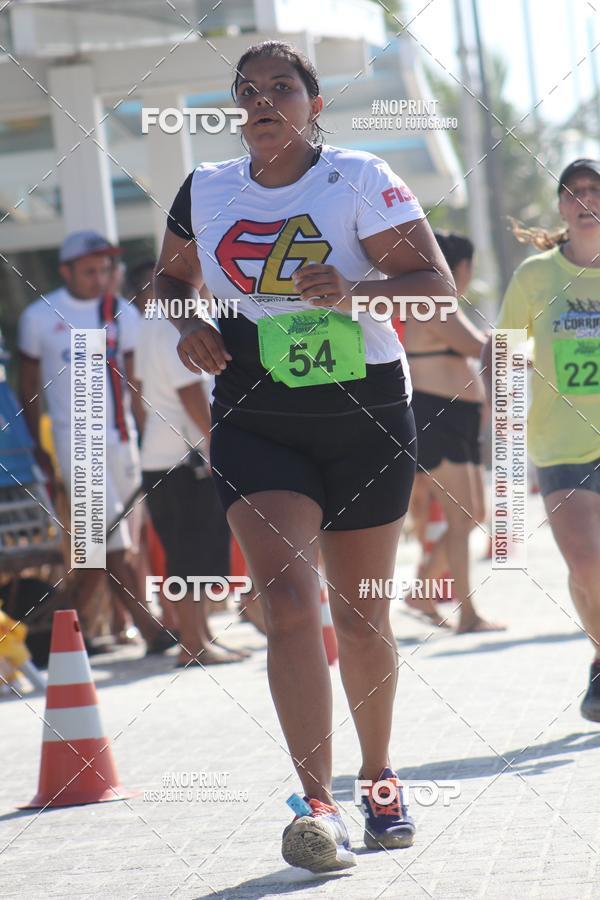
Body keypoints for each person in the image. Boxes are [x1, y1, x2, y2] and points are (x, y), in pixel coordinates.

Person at [154, 40, 456, 873]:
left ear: (313, 105)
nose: (263, 102)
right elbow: (167, 279)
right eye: (248, 92)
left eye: (281, 89)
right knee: (288, 602)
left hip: (366, 414)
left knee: (361, 612)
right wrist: (190, 325)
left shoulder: (359, 176)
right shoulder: (205, 188)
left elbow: (436, 284)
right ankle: (315, 803)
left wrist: (356, 293)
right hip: (256, 413)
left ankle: (380, 776)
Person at [482, 158, 600, 722]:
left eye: (595, 191)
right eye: (574, 193)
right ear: (560, 207)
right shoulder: (536, 276)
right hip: (561, 443)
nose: (585, 201)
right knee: (586, 565)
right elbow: (501, 350)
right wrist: (499, 415)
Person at [17, 231, 173, 654]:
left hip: (123, 438)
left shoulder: (123, 313)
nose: (98, 276)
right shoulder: (37, 316)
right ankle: (150, 629)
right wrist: (39, 448)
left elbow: (137, 382)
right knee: (105, 542)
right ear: (65, 270)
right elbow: (28, 388)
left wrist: (146, 432)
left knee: (112, 543)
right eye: (89, 269)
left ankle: (66, 635)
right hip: (75, 438)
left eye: (105, 268)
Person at [132, 261, 250, 667]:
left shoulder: (153, 325)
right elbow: (188, 392)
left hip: (174, 457)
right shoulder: (167, 326)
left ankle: (199, 637)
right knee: (188, 554)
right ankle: (193, 643)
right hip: (180, 459)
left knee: (195, 553)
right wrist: (220, 444)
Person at [404, 232, 502, 632]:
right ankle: (468, 613)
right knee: (462, 517)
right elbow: (478, 347)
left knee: (473, 514)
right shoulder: (432, 302)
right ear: (461, 267)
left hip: (455, 418)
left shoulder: (441, 302)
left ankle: (423, 592)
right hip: (437, 416)